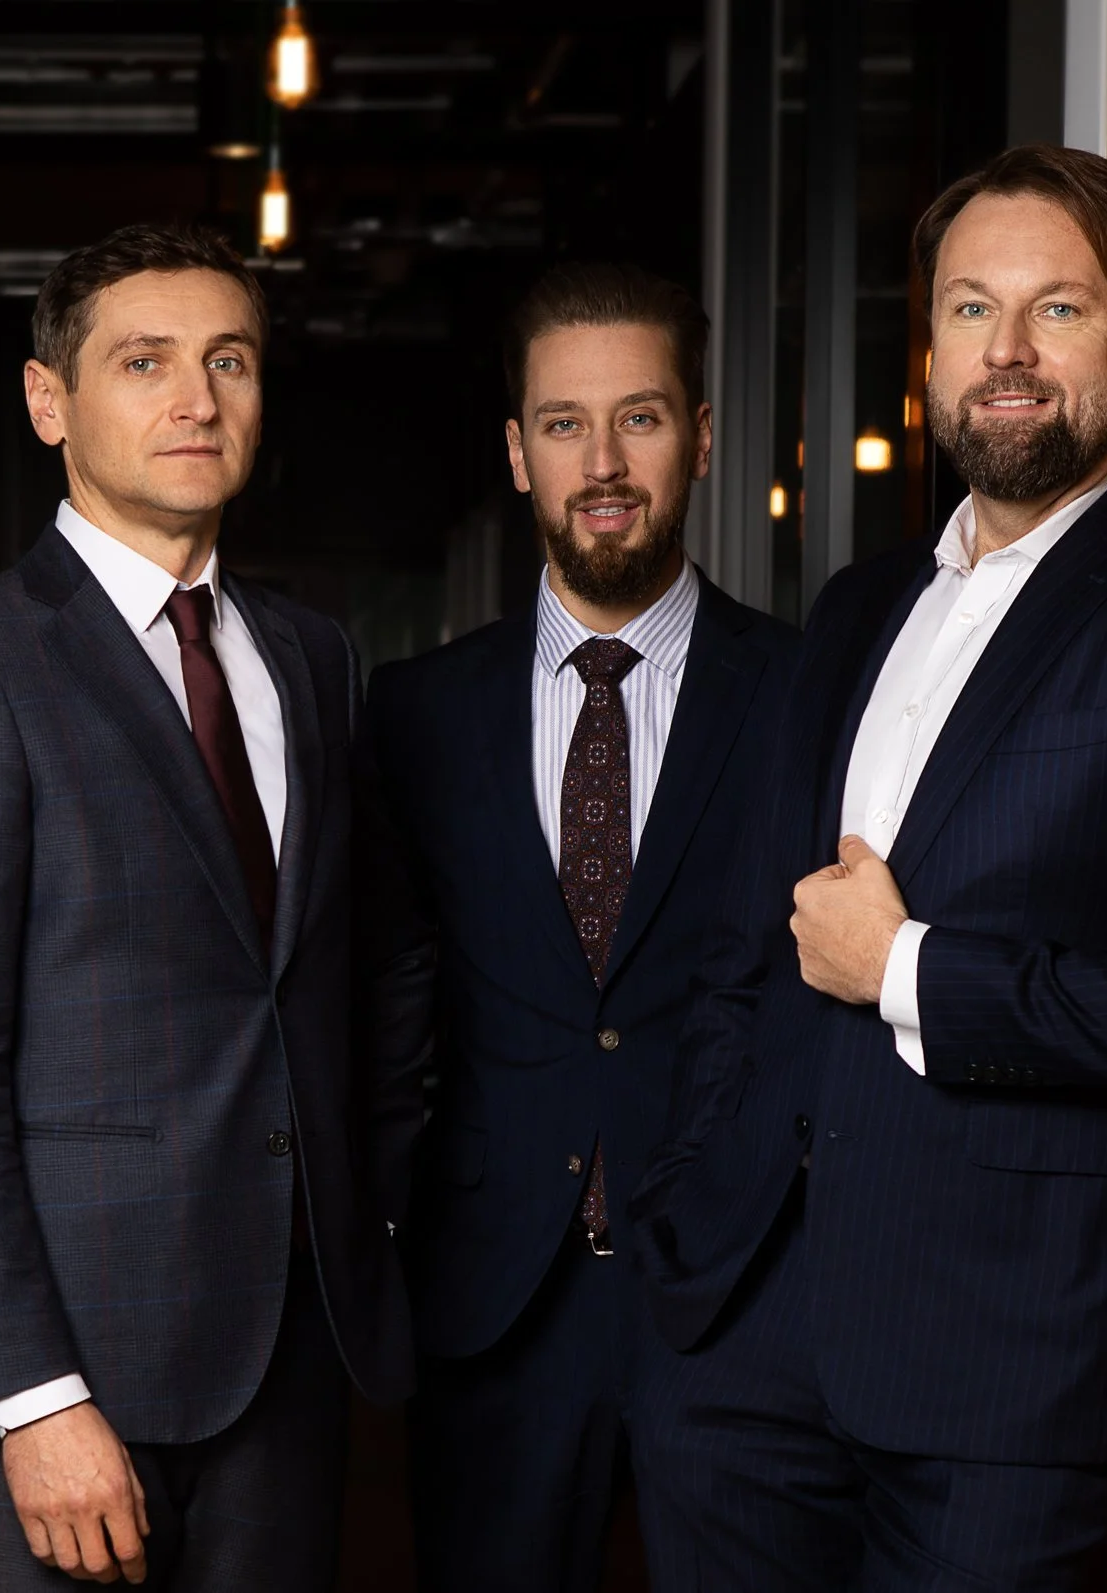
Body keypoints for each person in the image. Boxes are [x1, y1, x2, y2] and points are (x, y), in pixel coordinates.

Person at [629, 144, 1107, 1590]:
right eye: (967, 310)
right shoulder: (859, 604)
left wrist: (914, 973)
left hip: (1014, 1371)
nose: (1004, 354)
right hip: (745, 1338)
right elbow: (749, 951)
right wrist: (686, 1215)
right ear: (928, 345)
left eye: (1057, 311)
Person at [0, 223, 431, 1592]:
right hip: (63, 1382)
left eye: (229, 360)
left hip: (287, 1359)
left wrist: (367, 1213)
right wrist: (35, 1398)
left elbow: (363, 978)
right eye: (145, 361)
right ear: (51, 402)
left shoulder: (309, 657)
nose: (197, 399)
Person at [366, 263, 797, 1591]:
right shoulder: (414, 714)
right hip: (494, 1308)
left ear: (705, 437)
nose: (602, 462)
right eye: (563, 424)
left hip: (740, 1299)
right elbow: (380, 1010)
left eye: (642, 418)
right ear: (516, 452)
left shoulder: (809, 695)